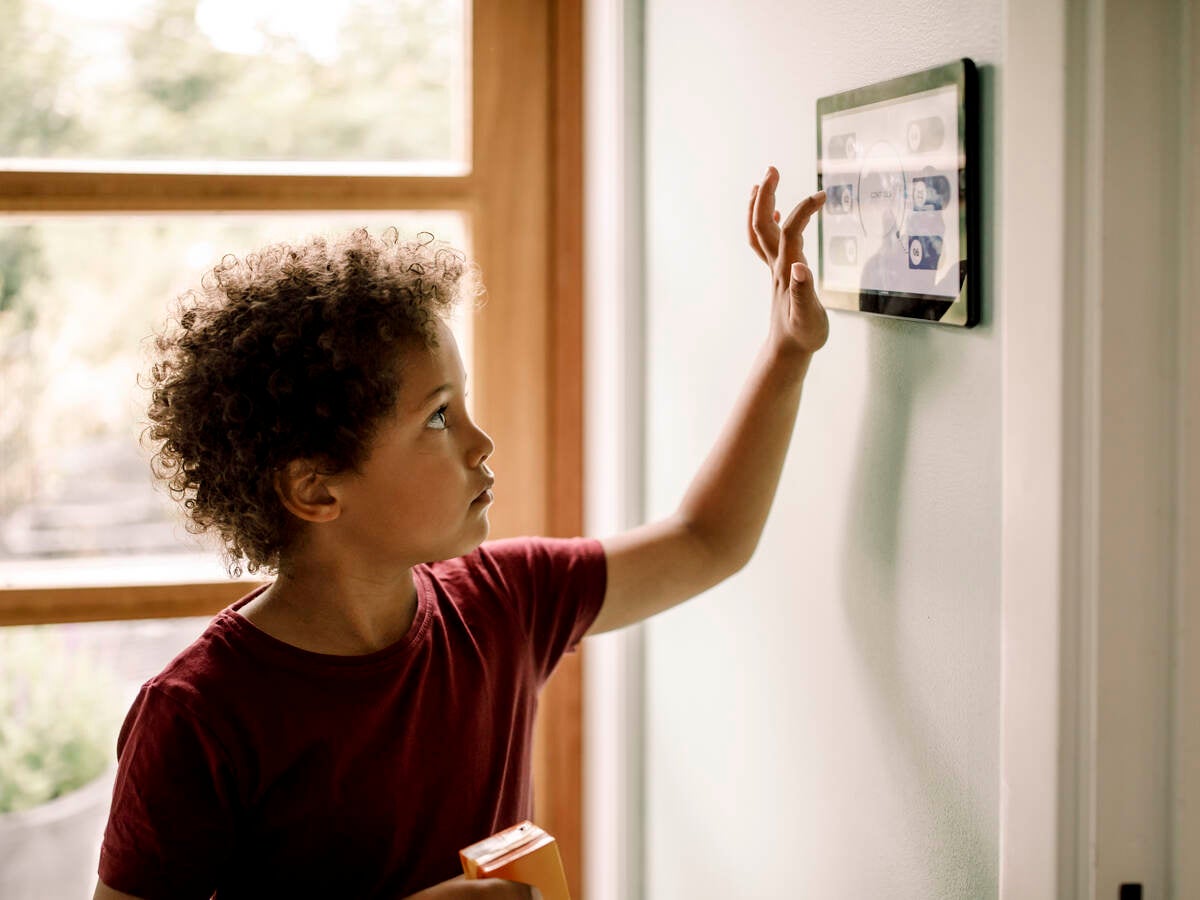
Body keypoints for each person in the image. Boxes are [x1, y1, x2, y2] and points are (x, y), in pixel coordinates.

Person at [92, 166, 827, 900]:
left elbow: (707, 541)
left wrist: (786, 357)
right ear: (316, 487)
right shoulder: (197, 715)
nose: (482, 442)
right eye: (439, 416)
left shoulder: (507, 601)